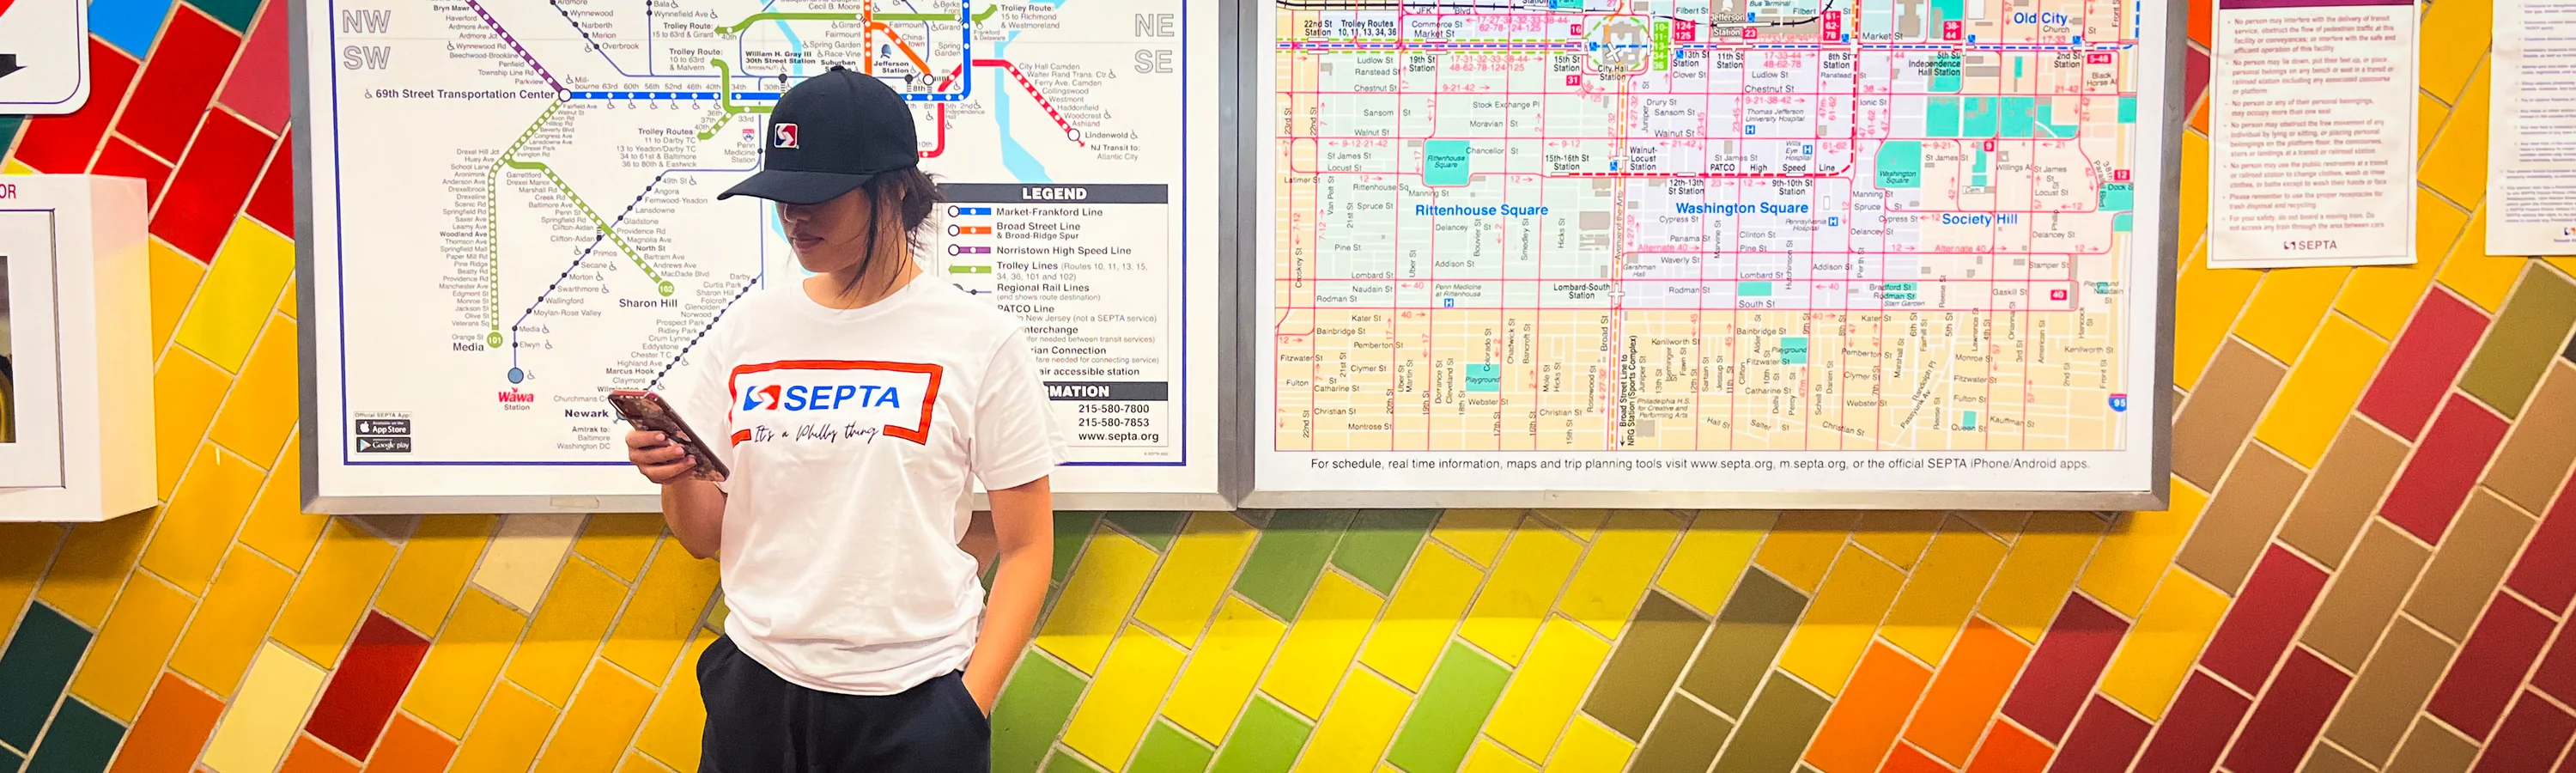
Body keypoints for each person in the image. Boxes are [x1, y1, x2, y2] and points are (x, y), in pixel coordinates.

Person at [623, 64, 1066, 772]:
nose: (795, 217)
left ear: (893, 190)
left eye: (818, 197)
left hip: (915, 704)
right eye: (780, 197)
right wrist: (673, 475)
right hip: (757, 692)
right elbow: (703, 536)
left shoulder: (980, 341)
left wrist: (964, 708)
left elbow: (1027, 548)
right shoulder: (747, 333)